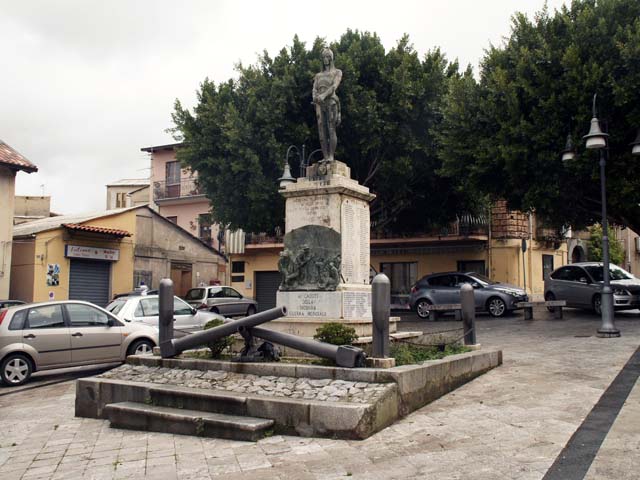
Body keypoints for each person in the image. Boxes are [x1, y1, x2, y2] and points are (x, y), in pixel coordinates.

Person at [312, 48, 342, 162]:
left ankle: (331, 156)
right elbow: (314, 88)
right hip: (319, 104)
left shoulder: (337, 72)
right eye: (324, 57)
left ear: (331, 58)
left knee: (331, 129)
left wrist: (323, 95)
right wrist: (315, 97)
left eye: (328, 57)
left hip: (331, 102)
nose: (326, 59)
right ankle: (325, 156)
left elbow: (334, 86)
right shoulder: (318, 75)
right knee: (321, 132)